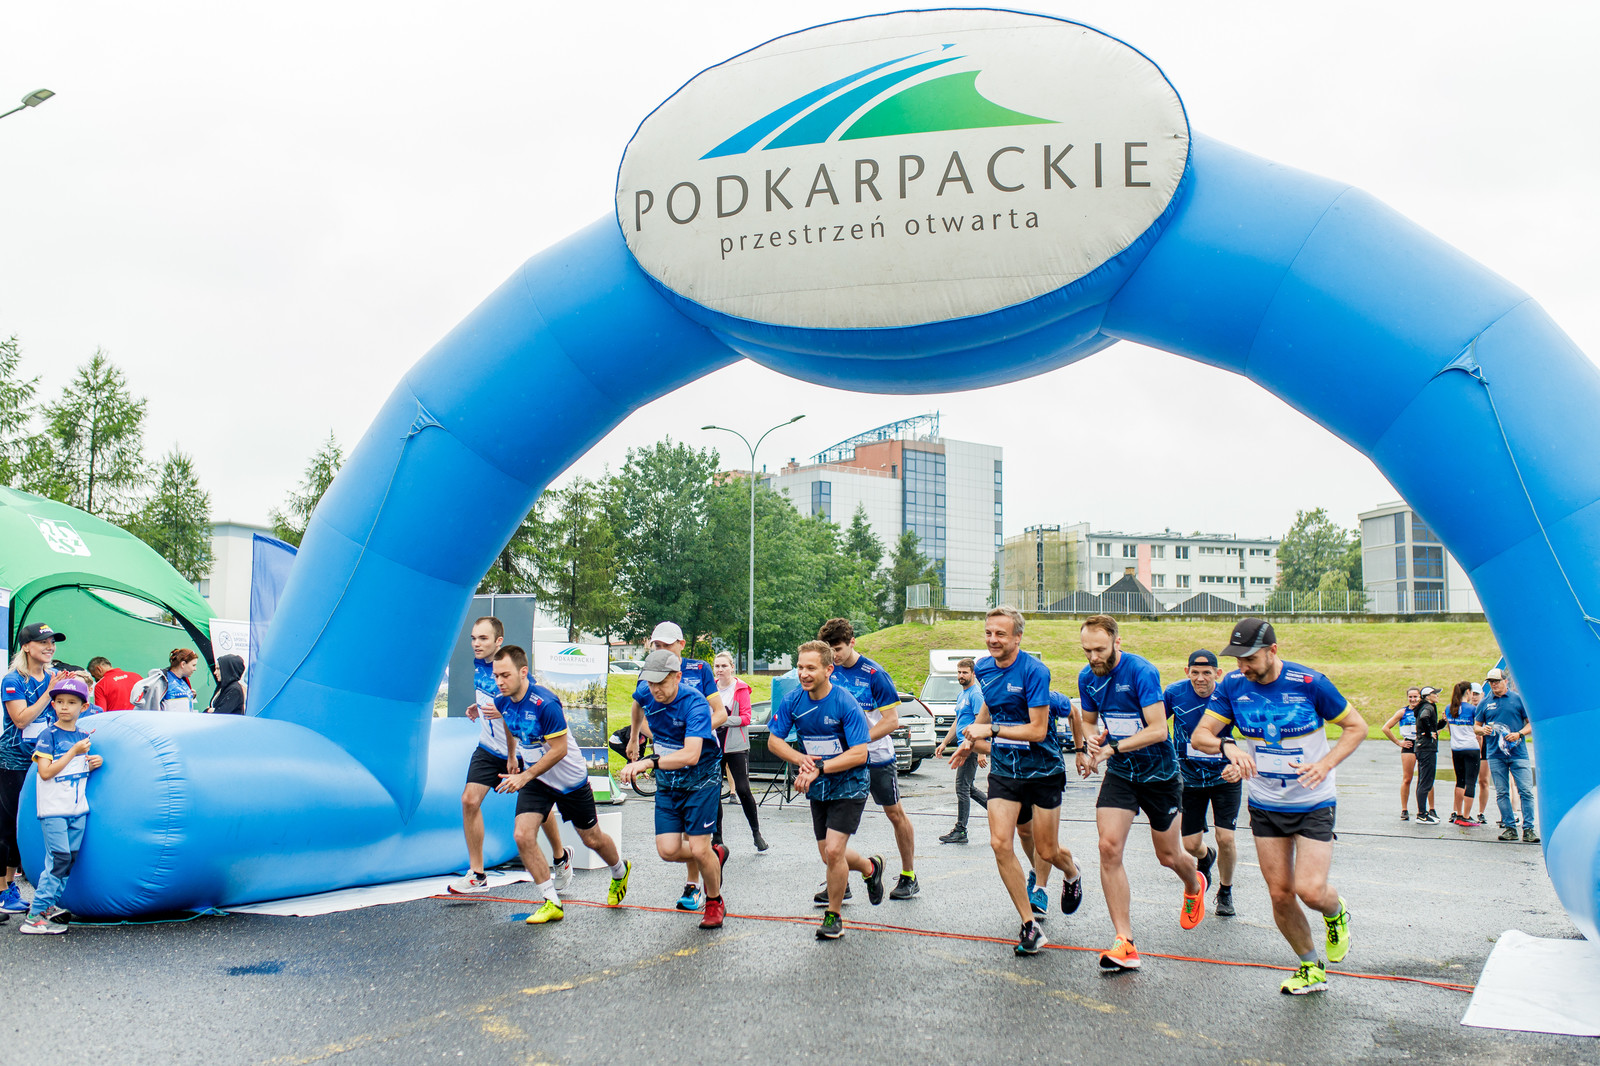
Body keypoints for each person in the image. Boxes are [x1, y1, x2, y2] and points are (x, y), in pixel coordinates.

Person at [1193, 618, 1365, 995]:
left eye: (1250, 658)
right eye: (1237, 659)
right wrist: (1228, 747)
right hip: (1265, 803)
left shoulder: (1310, 683)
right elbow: (1201, 735)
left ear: (1273, 651)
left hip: (1313, 800)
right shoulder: (1233, 686)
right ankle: (1310, 967)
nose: (1243, 666)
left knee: (1311, 890)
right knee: (1280, 894)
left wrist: (1325, 764)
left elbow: (1357, 727)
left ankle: (1335, 913)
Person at [952, 605, 1083, 957]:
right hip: (1005, 770)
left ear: (1018, 637)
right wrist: (971, 737)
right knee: (1000, 843)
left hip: (1043, 770)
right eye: (988, 633)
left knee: (1047, 850)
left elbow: (1038, 731)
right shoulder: (983, 668)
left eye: (1000, 634)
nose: (992, 639)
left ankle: (1071, 873)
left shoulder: (1035, 672)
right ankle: (1030, 925)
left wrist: (991, 730)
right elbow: (990, 705)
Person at [1077, 615, 1206, 971]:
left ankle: (1193, 882)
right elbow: (1087, 720)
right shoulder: (1087, 677)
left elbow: (1159, 730)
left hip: (1160, 775)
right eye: (1087, 650)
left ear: (1117, 642)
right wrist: (1091, 740)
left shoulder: (1141, 672)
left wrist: (1113, 748)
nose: (1093, 657)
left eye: (1099, 649)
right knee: (1108, 847)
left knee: (1169, 855)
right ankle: (1125, 941)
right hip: (1121, 773)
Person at [488, 646, 630, 924]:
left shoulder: (545, 703)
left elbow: (560, 750)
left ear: (523, 672)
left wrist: (524, 776)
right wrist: (512, 757)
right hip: (538, 779)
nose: (500, 682)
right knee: (522, 835)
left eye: (505, 675)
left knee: (592, 839)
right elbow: (508, 721)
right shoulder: (502, 701)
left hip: (569, 780)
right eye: (496, 676)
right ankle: (551, 901)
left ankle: (619, 870)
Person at [764, 641, 880, 940]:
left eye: (811, 668)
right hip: (819, 786)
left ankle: (834, 915)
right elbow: (774, 741)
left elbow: (860, 753)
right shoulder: (792, 700)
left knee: (834, 850)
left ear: (828, 670)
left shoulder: (845, 702)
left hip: (850, 784)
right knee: (829, 855)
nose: (803, 674)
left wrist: (820, 767)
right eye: (800, 667)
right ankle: (869, 867)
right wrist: (801, 760)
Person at [449, 617, 567, 895]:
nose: (476, 644)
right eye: (473, 638)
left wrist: (513, 755)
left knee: (541, 811)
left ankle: (561, 857)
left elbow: (524, 709)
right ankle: (477, 875)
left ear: (498, 641)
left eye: (483, 639)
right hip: (488, 748)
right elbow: (491, 698)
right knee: (469, 800)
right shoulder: (480, 666)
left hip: (519, 752)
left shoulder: (514, 671)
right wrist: (478, 706)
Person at [620, 649, 729, 929]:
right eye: (651, 682)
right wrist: (634, 736)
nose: (655, 689)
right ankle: (713, 855)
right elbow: (637, 704)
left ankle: (714, 901)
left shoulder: (694, 703)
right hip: (669, 781)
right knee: (667, 850)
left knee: (699, 848)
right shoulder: (647, 692)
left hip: (700, 780)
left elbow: (691, 755)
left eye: (661, 682)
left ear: (678, 677)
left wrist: (648, 762)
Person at [818, 617, 919, 901]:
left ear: (852, 642)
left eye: (838, 649)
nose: (834, 656)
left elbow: (891, 721)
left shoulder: (874, 674)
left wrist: (858, 741)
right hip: (842, 759)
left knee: (894, 814)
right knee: (834, 822)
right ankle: (839, 881)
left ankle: (909, 875)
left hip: (876, 758)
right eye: (829, 650)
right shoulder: (829, 671)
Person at [18, 676, 103, 934]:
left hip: (77, 809)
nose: (65, 706)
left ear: (83, 707)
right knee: (59, 859)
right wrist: (73, 752)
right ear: (53, 704)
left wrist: (91, 763)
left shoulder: (83, 735)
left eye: (71, 702)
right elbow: (45, 772)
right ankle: (34, 916)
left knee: (69, 860)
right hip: (54, 809)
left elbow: (74, 769)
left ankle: (47, 908)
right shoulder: (48, 735)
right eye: (60, 701)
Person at [1165, 649, 1242, 918]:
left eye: (1207, 673)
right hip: (1189, 779)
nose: (1200, 678)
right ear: (1187, 672)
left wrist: (1238, 765)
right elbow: (1154, 724)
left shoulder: (1228, 696)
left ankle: (1225, 890)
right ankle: (1206, 856)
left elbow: (1253, 735)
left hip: (1224, 775)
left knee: (1226, 838)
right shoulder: (1174, 693)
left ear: (1217, 673)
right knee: (1190, 845)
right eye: (1195, 672)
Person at [2, 622, 69, 916]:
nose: (50, 647)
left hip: (43, 759)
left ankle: (16, 888)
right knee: (8, 826)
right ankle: (3, 890)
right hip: (14, 760)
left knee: (32, 823)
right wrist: (49, 693)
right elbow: (20, 719)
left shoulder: (54, 676)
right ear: (27, 646)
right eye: (43, 642)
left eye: (52, 642)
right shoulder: (13, 679)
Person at [711, 651, 766, 853]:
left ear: (732, 667)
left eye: (724, 666)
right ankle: (717, 837)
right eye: (717, 666)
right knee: (713, 791)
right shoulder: (710, 688)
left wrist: (721, 720)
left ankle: (756, 833)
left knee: (743, 789)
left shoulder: (740, 688)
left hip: (736, 747)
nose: (720, 670)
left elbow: (746, 718)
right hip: (714, 745)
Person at [1474, 668, 1536, 843]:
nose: (1494, 685)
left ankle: (1529, 829)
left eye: (1497, 681)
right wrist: (1482, 730)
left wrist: (1519, 734)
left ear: (1505, 681)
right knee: (1502, 792)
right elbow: (1476, 726)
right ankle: (1510, 827)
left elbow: (1531, 724)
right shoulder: (1485, 703)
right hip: (1495, 754)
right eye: (1491, 682)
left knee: (1526, 791)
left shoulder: (1518, 699)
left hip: (1518, 754)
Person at [935, 657, 987, 845]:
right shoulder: (962, 695)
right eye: (959, 672)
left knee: (962, 787)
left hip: (971, 747)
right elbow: (958, 721)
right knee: (968, 787)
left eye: (965, 672)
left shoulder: (976, 694)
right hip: (962, 746)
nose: (961, 676)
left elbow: (982, 722)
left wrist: (981, 750)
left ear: (973, 674)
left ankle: (961, 830)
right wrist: (944, 742)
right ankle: (1000, 812)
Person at [1381, 689, 1424, 820]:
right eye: (1410, 697)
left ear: (1420, 697)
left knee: (1425, 779)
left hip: (1423, 745)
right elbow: (1385, 728)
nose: (1413, 699)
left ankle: (1428, 809)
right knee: (1407, 778)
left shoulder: (1425, 710)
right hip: (1409, 745)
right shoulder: (1403, 712)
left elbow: (1435, 728)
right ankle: (1404, 809)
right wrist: (1398, 742)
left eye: (1415, 696)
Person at [1444, 682, 1481, 827]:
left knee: (1460, 781)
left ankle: (1458, 814)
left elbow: (1449, 728)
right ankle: (1466, 816)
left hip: (1456, 748)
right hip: (1471, 748)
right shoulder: (1472, 709)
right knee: (1471, 782)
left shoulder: (1449, 708)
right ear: (1468, 692)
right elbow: (1477, 728)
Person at [1411, 686, 1444, 824]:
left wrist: (1442, 722)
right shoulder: (1428, 707)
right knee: (1425, 781)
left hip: (1422, 747)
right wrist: (1430, 732)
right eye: (1434, 693)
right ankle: (1422, 814)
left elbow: (1432, 725)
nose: (1437, 695)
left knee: (1423, 780)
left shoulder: (1427, 707)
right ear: (1428, 696)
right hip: (1426, 748)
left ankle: (1422, 812)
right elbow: (1424, 718)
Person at [133, 648, 202, 711]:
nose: (195, 669)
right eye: (193, 665)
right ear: (183, 664)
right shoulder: (162, 681)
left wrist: (189, 695)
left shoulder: (184, 681)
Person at [1469, 683, 1491, 823]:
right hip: (1469, 746)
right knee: (1467, 781)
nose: (1474, 697)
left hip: (1485, 746)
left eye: (1477, 694)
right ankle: (1463, 811)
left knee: (1483, 780)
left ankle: (1481, 812)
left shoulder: (1486, 708)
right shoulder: (1466, 710)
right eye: (1472, 694)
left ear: (1482, 695)